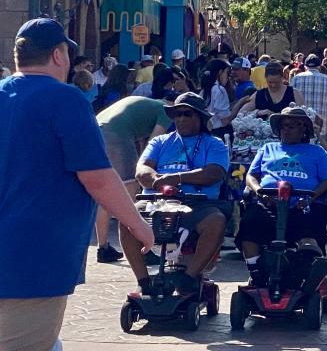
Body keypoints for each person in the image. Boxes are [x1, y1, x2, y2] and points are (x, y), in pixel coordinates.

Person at [0, 19, 154, 351]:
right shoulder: (65, 100)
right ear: (58, 55)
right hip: (33, 259)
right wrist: (138, 224)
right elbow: (97, 177)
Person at [121, 92, 230, 295]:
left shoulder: (214, 144)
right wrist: (157, 181)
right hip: (157, 201)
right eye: (177, 114)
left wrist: (177, 178)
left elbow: (214, 173)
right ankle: (144, 282)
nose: (180, 118)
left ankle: (189, 278)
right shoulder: (160, 142)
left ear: (200, 118)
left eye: (187, 114)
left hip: (197, 204)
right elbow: (142, 170)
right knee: (127, 219)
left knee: (216, 220)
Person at [236, 107, 327, 284]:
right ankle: (256, 271)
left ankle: (306, 269)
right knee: (250, 222)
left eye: (291, 126)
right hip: (269, 202)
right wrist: (259, 192)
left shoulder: (317, 152)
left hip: (303, 203)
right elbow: (251, 176)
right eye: (283, 126)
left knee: (310, 224)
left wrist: (311, 197)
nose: (286, 130)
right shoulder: (267, 148)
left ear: (303, 128)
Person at [94, 96, 171, 262]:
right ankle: (140, 247)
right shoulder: (166, 110)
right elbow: (153, 142)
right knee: (132, 191)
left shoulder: (147, 104)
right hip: (117, 135)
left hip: (96, 129)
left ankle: (103, 247)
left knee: (106, 192)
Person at [292, 54, 327, 142]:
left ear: (305, 67)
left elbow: (291, 103)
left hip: (301, 128)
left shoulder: (296, 79)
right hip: (322, 129)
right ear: (319, 67)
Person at [239, 61, 304, 118]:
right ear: (265, 78)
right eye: (270, 82)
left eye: (277, 82)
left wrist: (284, 116)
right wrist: (257, 112)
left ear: (282, 78)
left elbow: (303, 116)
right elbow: (241, 114)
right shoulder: (259, 95)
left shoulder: (294, 93)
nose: (273, 85)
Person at [202, 59, 233, 140]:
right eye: (226, 72)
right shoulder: (219, 90)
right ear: (220, 72)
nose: (227, 77)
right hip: (220, 133)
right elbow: (225, 119)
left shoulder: (203, 90)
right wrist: (240, 104)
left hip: (206, 132)